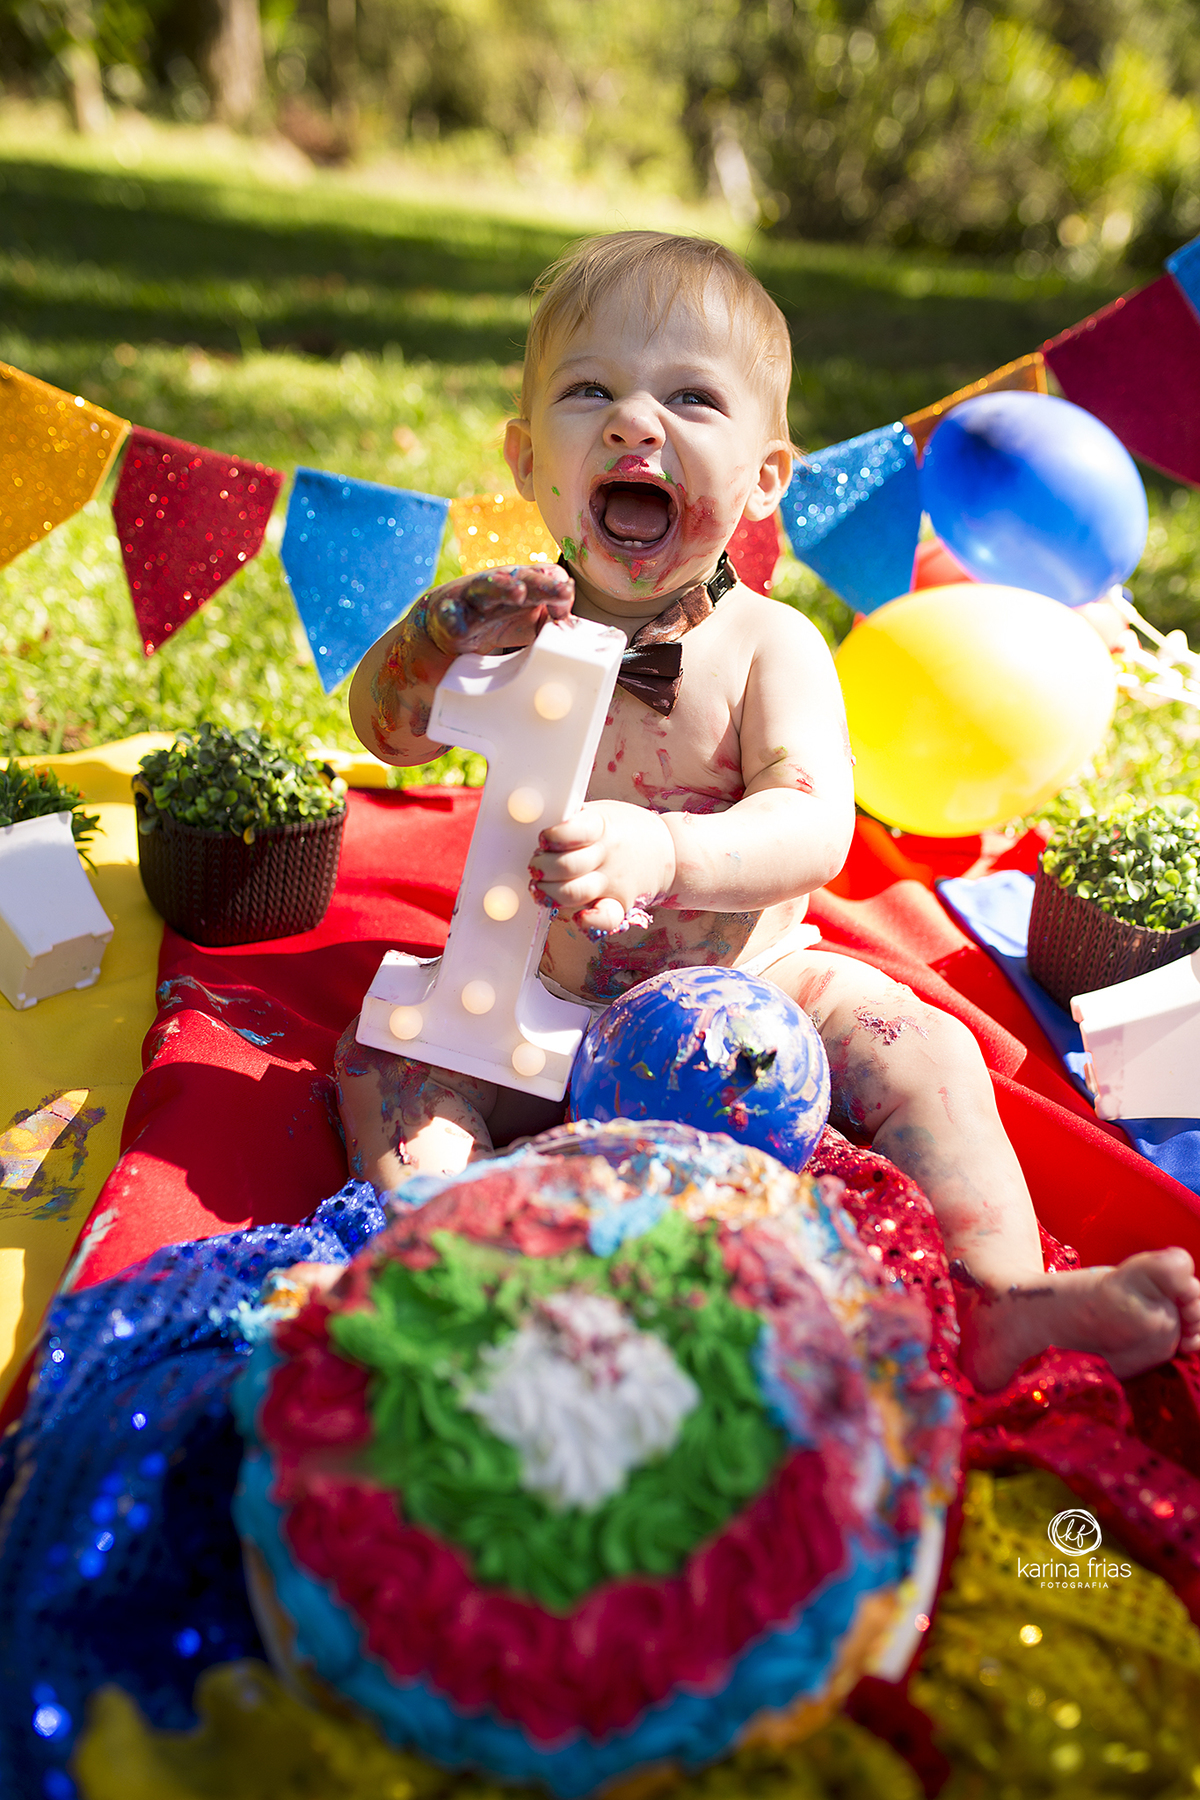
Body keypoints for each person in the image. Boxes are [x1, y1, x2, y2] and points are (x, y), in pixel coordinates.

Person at [337, 229, 1200, 1392]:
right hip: (530, 989)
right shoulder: (506, 624)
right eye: (590, 392)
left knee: (928, 1050)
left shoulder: (766, 645)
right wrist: (432, 637)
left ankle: (999, 1292)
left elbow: (811, 826)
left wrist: (664, 847)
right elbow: (387, 733)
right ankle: (458, 1251)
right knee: (382, 1062)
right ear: (529, 459)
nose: (634, 423)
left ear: (765, 479)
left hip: (754, 984)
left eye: (691, 398)